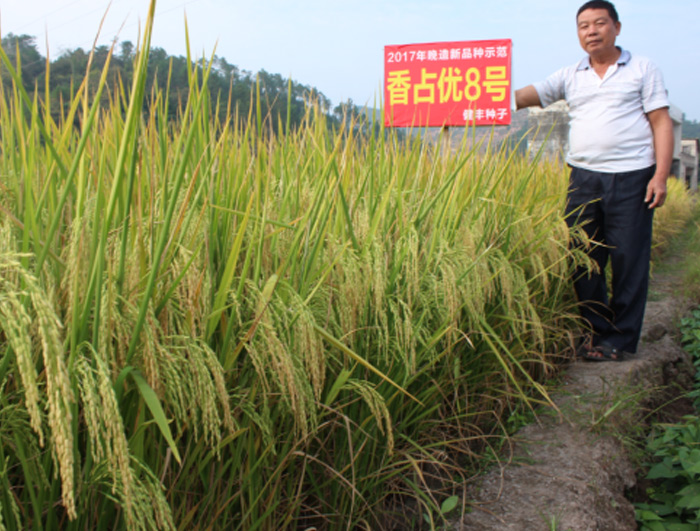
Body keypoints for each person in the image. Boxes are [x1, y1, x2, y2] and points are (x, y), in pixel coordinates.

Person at [515, 0, 674, 361]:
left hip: (633, 177)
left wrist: (660, 176)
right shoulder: (571, 75)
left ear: (616, 27)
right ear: (578, 33)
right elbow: (526, 96)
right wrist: (478, 103)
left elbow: (661, 122)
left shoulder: (642, 68)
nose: (591, 31)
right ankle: (596, 332)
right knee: (582, 257)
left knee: (628, 259)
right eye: (583, 26)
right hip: (584, 178)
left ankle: (619, 340)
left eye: (599, 23)